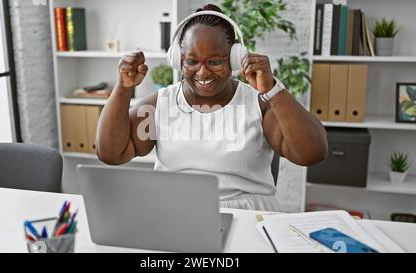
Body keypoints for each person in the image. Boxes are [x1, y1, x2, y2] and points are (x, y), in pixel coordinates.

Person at [96, 4, 328, 211]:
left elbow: (312, 153)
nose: (203, 72)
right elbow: (111, 154)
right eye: (191, 61)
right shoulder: (161, 104)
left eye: (215, 61)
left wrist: (273, 90)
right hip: (175, 213)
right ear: (178, 59)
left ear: (236, 58)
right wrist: (123, 88)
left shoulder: (259, 102)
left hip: (247, 214)